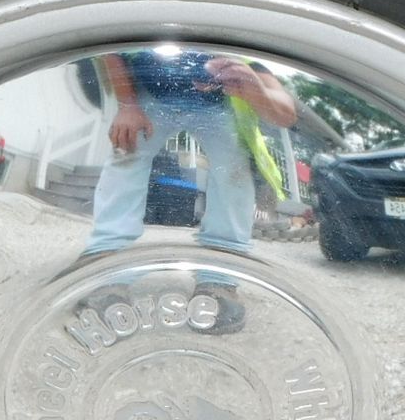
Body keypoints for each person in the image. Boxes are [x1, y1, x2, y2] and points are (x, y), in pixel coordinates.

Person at [78, 48, 297, 332]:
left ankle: (221, 272)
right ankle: (105, 259)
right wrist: (128, 106)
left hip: (218, 108)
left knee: (234, 171)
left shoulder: (241, 50)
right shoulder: (150, 29)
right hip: (152, 98)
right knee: (127, 151)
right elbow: (113, 51)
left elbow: (286, 113)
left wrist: (254, 89)